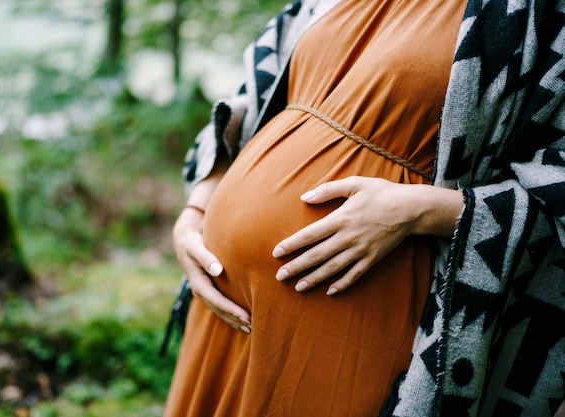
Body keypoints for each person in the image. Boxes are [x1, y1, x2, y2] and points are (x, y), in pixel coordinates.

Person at [162, 0, 565, 415]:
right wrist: (197, 209)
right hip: (220, 305)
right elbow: (254, 95)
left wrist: (421, 210)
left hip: (354, 311)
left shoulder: (541, 14)